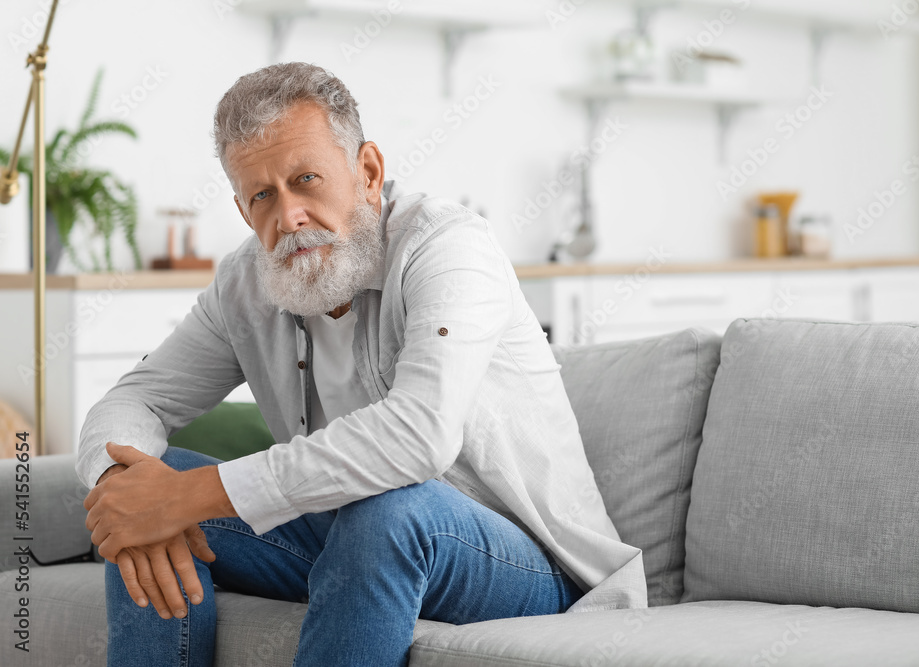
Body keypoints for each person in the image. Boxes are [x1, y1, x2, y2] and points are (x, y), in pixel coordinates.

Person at [77, 62, 646, 667]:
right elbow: (135, 398)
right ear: (244, 211)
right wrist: (123, 487)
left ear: (368, 172)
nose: (289, 215)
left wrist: (199, 495)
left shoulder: (449, 247)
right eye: (263, 195)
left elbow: (419, 436)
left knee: (390, 506)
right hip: (350, 540)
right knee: (146, 484)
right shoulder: (246, 282)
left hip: (530, 563)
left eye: (306, 179)